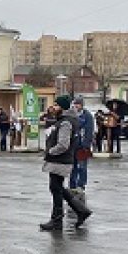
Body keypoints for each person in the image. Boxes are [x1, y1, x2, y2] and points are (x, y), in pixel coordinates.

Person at [39, 96, 91, 232]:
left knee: (56, 188)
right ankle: (79, 210)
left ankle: (57, 220)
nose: (53, 108)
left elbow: (63, 144)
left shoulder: (66, 122)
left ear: (63, 107)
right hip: (59, 159)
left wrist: (50, 151)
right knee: (56, 187)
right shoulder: (64, 120)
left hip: (60, 159)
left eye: (56, 105)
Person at [68, 96, 94, 192]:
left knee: (82, 166)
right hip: (72, 145)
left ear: (82, 105)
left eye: (78, 104)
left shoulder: (87, 116)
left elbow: (89, 131)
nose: (76, 106)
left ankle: (81, 184)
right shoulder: (71, 115)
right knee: (72, 166)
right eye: (75, 104)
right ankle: (72, 185)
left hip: (82, 145)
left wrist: (86, 144)